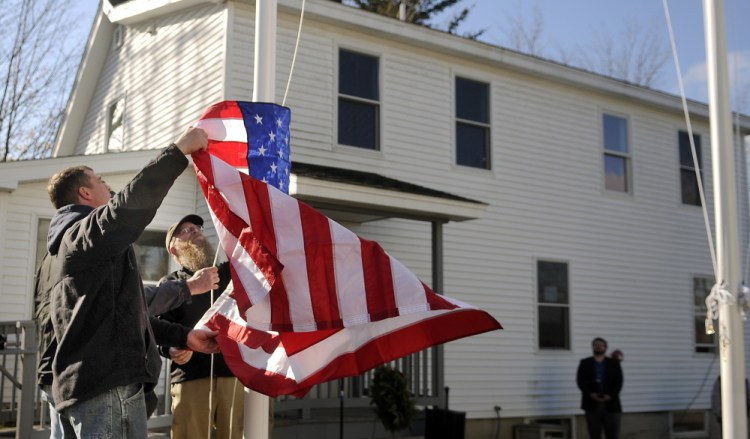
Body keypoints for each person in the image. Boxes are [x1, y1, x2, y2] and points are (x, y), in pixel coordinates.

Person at [36, 126, 219, 438]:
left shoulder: (54, 258)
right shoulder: (84, 235)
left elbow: (123, 309)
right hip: (105, 390)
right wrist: (178, 152)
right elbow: (127, 208)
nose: (110, 189)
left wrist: (184, 336)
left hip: (67, 391)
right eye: (102, 183)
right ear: (85, 193)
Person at [157, 214, 245, 439]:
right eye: (185, 230)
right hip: (191, 377)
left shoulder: (228, 273)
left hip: (232, 375)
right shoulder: (170, 285)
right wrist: (171, 350)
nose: (195, 230)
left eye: (196, 227)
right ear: (173, 250)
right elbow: (157, 330)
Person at [576, 337, 623, 439]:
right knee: (594, 434)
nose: (598, 347)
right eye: (596, 344)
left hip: (611, 405)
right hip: (591, 404)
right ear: (592, 347)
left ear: (605, 348)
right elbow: (580, 381)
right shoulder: (585, 363)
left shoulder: (614, 363)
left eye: (601, 345)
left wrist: (610, 396)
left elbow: (619, 382)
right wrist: (590, 394)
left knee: (612, 434)